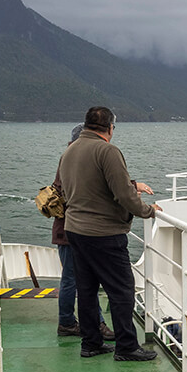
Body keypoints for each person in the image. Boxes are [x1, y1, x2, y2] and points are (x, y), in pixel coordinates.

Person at [59, 106, 160, 362]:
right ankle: (126, 347)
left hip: (74, 230)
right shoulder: (108, 151)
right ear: (110, 128)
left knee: (87, 289)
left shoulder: (69, 152)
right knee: (122, 290)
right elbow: (124, 194)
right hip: (103, 233)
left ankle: (91, 343)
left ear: (85, 125)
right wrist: (148, 211)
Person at [52, 124, 114, 341]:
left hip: (66, 229)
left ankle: (69, 322)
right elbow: (97, 187)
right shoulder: (78, 159)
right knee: (79, 279)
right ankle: (86, 324)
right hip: (75, 229)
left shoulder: (67, 158)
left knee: (73, 278)